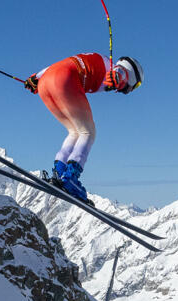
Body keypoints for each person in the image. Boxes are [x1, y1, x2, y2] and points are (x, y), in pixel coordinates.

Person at [23, 53, 143, 204]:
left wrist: (36, 78)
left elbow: (58, 65)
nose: (132, 89)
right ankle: (70, 178)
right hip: (65, 80)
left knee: (75, 131)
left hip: (45, 83)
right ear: (133, 76)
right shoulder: (117, 69)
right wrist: (118, 77)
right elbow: (120, 72)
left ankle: (59, 172)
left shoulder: (100, 61)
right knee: (88, 132)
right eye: (137, 85)